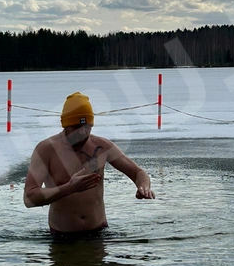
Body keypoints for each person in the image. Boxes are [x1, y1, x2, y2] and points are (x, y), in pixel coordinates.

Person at [24, 92, 155, 239]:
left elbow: (138, 172)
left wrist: (143, 186)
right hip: (62, 237)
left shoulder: (102, 147)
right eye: (76, 127)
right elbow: (29, 198)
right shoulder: (46, 150)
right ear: (65, 125)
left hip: (99, 233)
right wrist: (68, 188)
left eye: (87, 126)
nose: (83, 132)